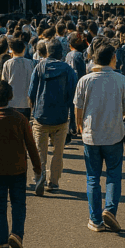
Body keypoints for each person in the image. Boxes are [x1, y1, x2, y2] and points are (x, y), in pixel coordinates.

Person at [73, 44, 125, 232]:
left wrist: (79, 125)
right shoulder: (121, 80)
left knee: (93, 177)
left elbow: (78, 107)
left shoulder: (85, 80)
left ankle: (95, 220)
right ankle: (110, 210)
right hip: (114, 133)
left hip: (91, 134)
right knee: (114, 175)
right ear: (113, 58)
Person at [0, 80, 42, 248]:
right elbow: (31, 145)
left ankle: (2, 242)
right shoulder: (20, 119)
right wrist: (38, 167)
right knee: (19, 204)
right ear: (11, 97)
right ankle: (17, 235)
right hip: (17, 169)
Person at [28, 40, 78, 195]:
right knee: (58, 153)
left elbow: (31, 93)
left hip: (41, 116)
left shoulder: (39, 67)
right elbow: (73, 96)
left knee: (39, 151)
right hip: (61, 117)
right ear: (61, 53)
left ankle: (40, 176)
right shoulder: (68, 70)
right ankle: (53, 182)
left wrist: (33, 112)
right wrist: (74, 121)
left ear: (47, 52)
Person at [1, 39, 35, 119]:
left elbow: (4, 83)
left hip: (12, 101)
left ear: (11, 50)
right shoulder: (30, 63)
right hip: (26, 102)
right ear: (24, 49)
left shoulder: (8, 63)